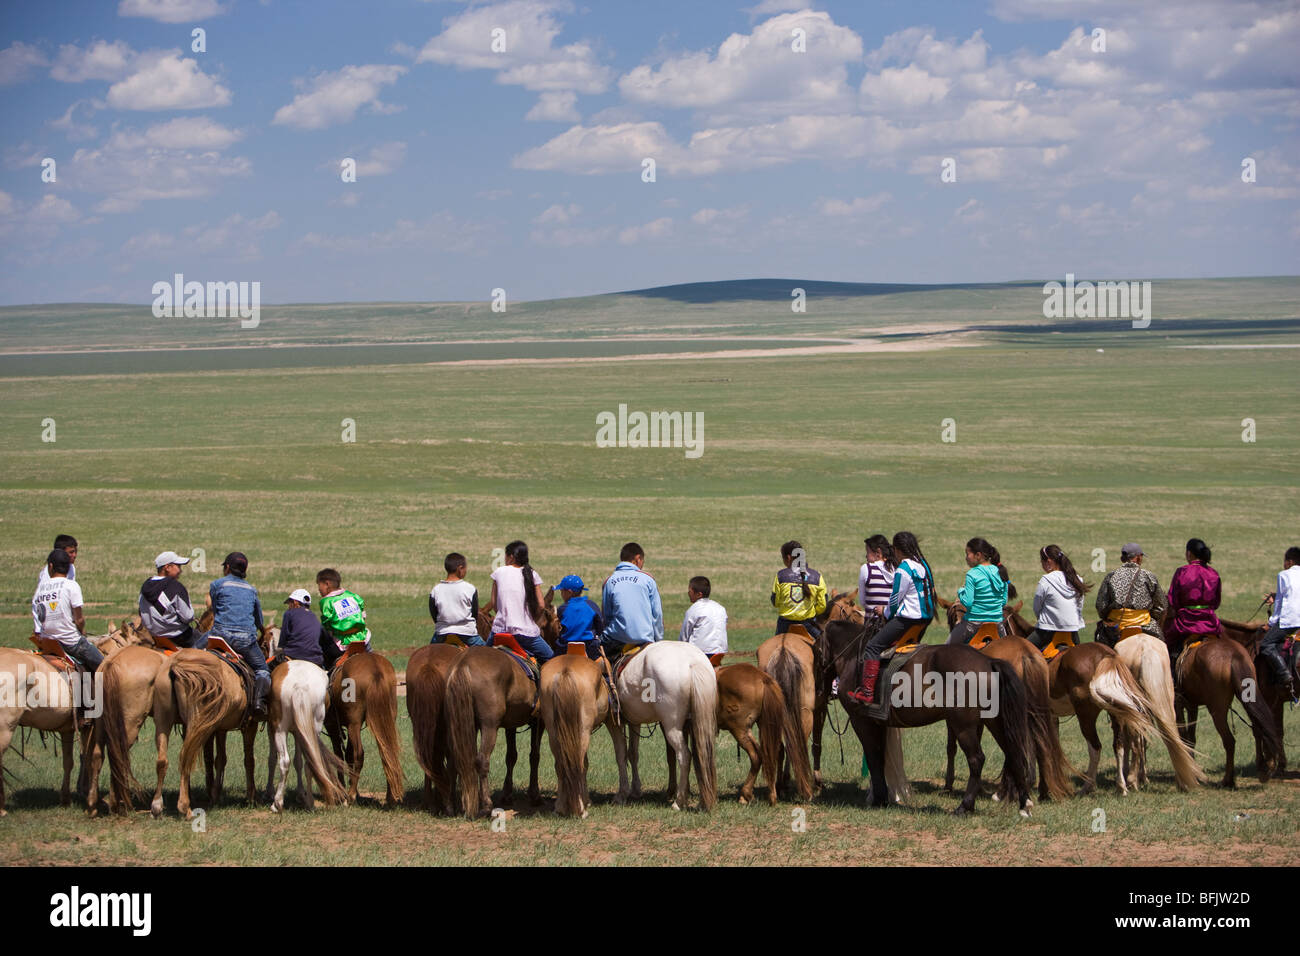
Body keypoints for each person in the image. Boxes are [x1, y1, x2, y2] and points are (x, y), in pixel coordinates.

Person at [844, 531, 937, 707]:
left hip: (907, 619)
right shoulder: (923, 564)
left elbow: (895, 599)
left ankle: (867, 693)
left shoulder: (904, 569)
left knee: (872, 647)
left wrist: (885, 612)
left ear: (898, 549)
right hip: (925, 619)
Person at [207, 552, 270, 718]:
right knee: (263, 670)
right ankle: (258, 703)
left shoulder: (217, 585)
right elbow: (259, 621)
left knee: (191, 652)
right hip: (245, 641)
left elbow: (215, 608)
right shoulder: (251, 590)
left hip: (219, 637)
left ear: (227, 568)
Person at [32, 548, 102, 672]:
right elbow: (79, 619)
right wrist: (82, 630)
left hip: (48, 643)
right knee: (106, 667)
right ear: (69, 567)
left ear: (51, 566)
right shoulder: (71, 586)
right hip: (71, 643)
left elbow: (40, 615)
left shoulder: (40, 590)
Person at [482, 540, 551, 662]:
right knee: (551, 658)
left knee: (481, 660)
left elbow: (494, 604)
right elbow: (541, 605)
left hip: (500, 632)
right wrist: (531, 620)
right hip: (526, 634)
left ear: (511, 557)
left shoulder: (499, 572)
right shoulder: (532, 574)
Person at [600, 542, 664, 655]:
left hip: (617, 639)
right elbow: (657, 614)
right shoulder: (648, 579)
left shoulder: (609, 581)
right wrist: (658, 640)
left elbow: (607, 616)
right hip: (645, 639)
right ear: (638, 558)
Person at [1165, 538, 1221, 665]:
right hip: (1210, 622)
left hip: (1186, 622)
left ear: (1189, 553)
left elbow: (1173, 600)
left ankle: (1171, 674)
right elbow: (1216, 602)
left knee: (1166, 645)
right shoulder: (1213, 573)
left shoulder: (1182, 571)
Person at [1095, 543, 1166, 642]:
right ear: (1138, 558)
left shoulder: (1111, 576)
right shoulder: (1148, 576)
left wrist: (1107, 617)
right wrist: (1151, 616)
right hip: (1145, 626)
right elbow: (1161, 606)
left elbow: (1101, 605)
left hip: (1116, 628)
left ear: (1122, 559)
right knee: (1162, 646)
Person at [946, 537, 1008, 645]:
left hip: (973, 624)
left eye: (967, 554)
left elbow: (968, 603)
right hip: (997, 624)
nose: (966, 558)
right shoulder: (1000, 571)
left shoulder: (972, 573)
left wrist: (961, 591)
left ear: (978, 555)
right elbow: (1003, 601)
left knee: (944, 650)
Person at [1028, 544, 1089, 650]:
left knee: (1023, 651)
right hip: (1072, 630)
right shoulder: (1077, 579)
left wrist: (1043, 619)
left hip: (1047, 630)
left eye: (1042, 562)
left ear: (1049, 562)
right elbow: (1080, 606)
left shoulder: (1046, 580)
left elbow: (1037, 607)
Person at [1261, 546, 1300, 704]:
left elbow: (1279, 605)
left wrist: (1271, 622)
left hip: (1290, 622)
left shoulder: (1283, 575)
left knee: (1266, 644)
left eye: (1285, 562)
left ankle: (1284, 673)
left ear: (1289, 562)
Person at [138, 550, 201, 648]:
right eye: (178, 566)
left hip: (154, 636)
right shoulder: (175, 587)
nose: (180, 570)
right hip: (179, 637)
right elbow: (187, 617)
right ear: (167, 567)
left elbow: (141, 611)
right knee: (207, 641)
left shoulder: (144, 587)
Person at [771, 540, 829, 638]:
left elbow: (775, 602)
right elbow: (822, 606)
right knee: (823, 648)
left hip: (784, 625)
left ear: (788, 557)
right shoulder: (817, 576)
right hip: (808, 625)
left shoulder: (780, 576)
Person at [317, 568, 371, 669]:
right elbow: (363, 616)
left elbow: (327, 626)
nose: (319, 589)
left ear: (327, 584)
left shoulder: (326, 602)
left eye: (319, 585)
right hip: (363, 639)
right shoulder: (353, 596)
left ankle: (326, 671)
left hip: (342, 645)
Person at [430, 552, 484, 646]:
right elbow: (474, 614)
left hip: (442, 634)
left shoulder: (435, 590)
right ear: (460, 568)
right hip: (467, 634)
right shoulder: (470, 589)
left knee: (428, 657)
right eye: (465, 568)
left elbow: (434, 614)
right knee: (488, 655)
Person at [680, 575, 728, 666]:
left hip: (701, 652)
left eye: (690, 591)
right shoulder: (720, 608)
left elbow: (684, 636)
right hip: (720, 651)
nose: (688, 593)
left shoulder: (694, 609)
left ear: (699, 594)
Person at [555, 574, 605, 659]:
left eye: (562, 591)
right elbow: (600, 628)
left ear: (569, 592)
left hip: (565, 648)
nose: (561, 594)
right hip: (590, 648)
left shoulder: (562, 608)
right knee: (604, 667)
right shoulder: (592, 605)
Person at [276, 588, 324, 667]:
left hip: (294, 654)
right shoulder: (314, 616)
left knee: (268, 669)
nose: (289, 607)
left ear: (295, 602)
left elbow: (283, 639)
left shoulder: (289, 613)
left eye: (290, 603)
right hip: (316, 658)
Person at [857, 535, 895, 618]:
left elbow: (863, 601)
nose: (866, 556)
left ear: (878, 553)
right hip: (893, 622)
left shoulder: (867, 569)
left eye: (868, 552)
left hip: (873, 623)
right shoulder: (896, 569)